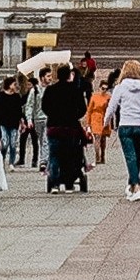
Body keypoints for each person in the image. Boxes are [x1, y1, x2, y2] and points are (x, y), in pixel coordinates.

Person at [109, 58, 140, 199]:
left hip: (125, 125)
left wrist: (106, 121)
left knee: (130, 157)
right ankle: (131, 185)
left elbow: (112, 107)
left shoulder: (120, 87)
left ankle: (136, 187)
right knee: (137, 157)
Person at [41, 58, 89, 192]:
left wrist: (53, 114)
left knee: (54, 155)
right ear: (69, 75)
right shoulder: (75, 90)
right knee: (69, 155)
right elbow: (83, 109)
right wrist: (74, 116)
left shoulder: (50, 90)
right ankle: (69, 183)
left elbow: (44, 107)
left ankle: (55, 183)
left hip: (54, 127)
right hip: (70, 128)